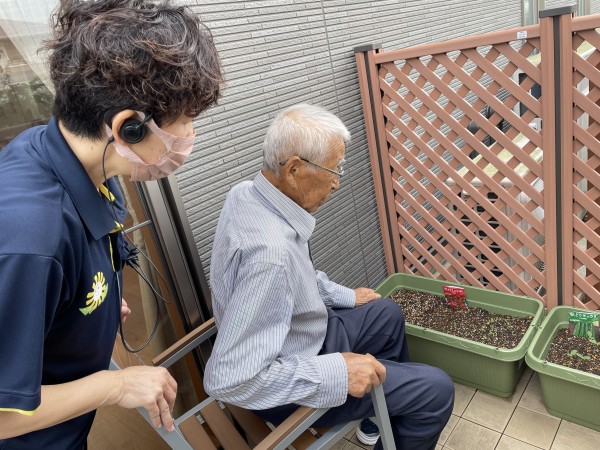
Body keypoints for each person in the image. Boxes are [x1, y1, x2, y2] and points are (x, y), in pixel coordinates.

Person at [0, 1, 222, 448]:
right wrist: (115, 386)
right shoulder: (30, 239)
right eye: (186, 121)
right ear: (129, 128)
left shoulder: (80, 163)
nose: (189, 136)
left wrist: (88, 306)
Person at [204, 104, 455, 450]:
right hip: (284, 385)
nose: (336, 183)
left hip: (302, 336)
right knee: (435, 391)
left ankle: (377, 419)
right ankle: (389, 408)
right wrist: (338, 373)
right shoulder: (270, 257)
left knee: (386, 313)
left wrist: (346, 296)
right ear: (293, 169)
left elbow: (298, 274)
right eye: (333, 169)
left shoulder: (247, 194)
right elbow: (230, 379)